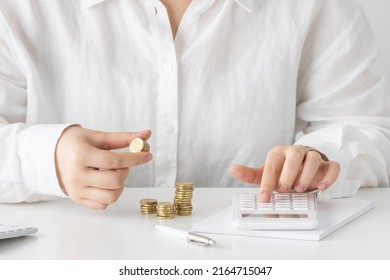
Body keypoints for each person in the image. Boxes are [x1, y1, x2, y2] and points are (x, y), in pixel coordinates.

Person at [0, 0, 389, 210]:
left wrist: (321, 156)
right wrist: (46, 158)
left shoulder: (315, 5)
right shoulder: (19, 9)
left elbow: (372, 128)